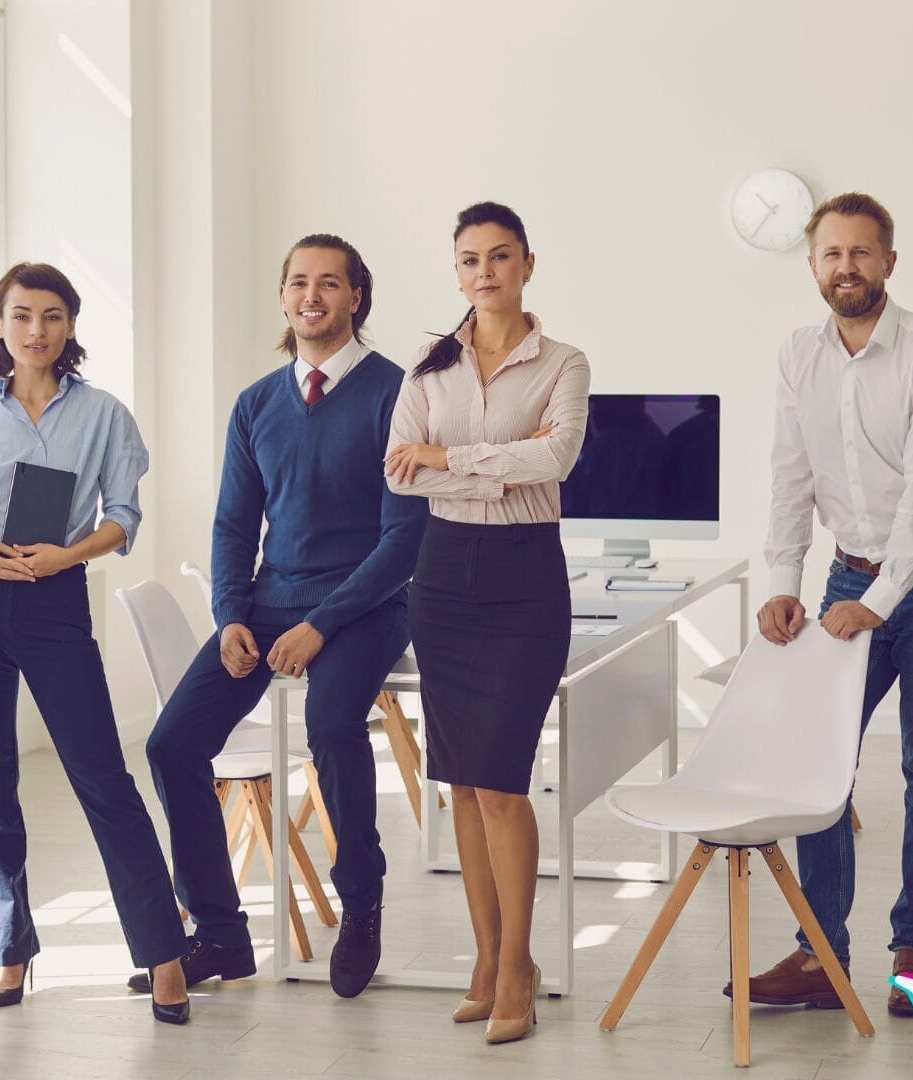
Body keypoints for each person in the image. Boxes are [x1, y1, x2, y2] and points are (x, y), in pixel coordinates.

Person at [138, 233, 427, 1000]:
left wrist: (320, 625)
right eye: (298, 282)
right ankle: (222, 935)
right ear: (282, 296)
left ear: (356, 297)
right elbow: (234, 528)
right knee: (171, 744)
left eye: (329, 283)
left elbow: (404, 540)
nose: (311, 296)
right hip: (269, 603)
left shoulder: (397, 395)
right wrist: (233, 614)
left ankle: (360, 905)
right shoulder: (256, 404)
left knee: (331, 725)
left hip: (366, 606)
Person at [735, 191, 913, 1020]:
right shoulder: (798, 356)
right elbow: (788, 477)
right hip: (848, 577)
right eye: (832, 254)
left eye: (862, 253)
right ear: (813, 268)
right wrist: (781, 581)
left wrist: (876, 603)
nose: (847, 267)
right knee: (819, 767)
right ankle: (820, 955)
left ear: (889, 262)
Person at [0, 262, 190, 1024]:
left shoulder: (103, 415)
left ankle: (164, 956)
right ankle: (11, 952)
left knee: (103, 779)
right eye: (19, 315)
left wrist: (67, 555)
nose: (34, 329)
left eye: (50, 315)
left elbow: (122, 516)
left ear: (69, 326)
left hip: (55, 602)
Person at [385, 201, 589, 1044]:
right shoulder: (428, 363)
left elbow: (558, 459)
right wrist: (488, 468)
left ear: (528, 265)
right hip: (443, 579)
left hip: (525, 579)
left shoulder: (564, 363)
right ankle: (485, 955)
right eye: (470, 259)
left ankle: (518, 966)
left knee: (504, 781)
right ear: (457, 269)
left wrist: (450, 459)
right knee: (462, 780)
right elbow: (400, 473)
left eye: (500, 257)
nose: (485, 272)